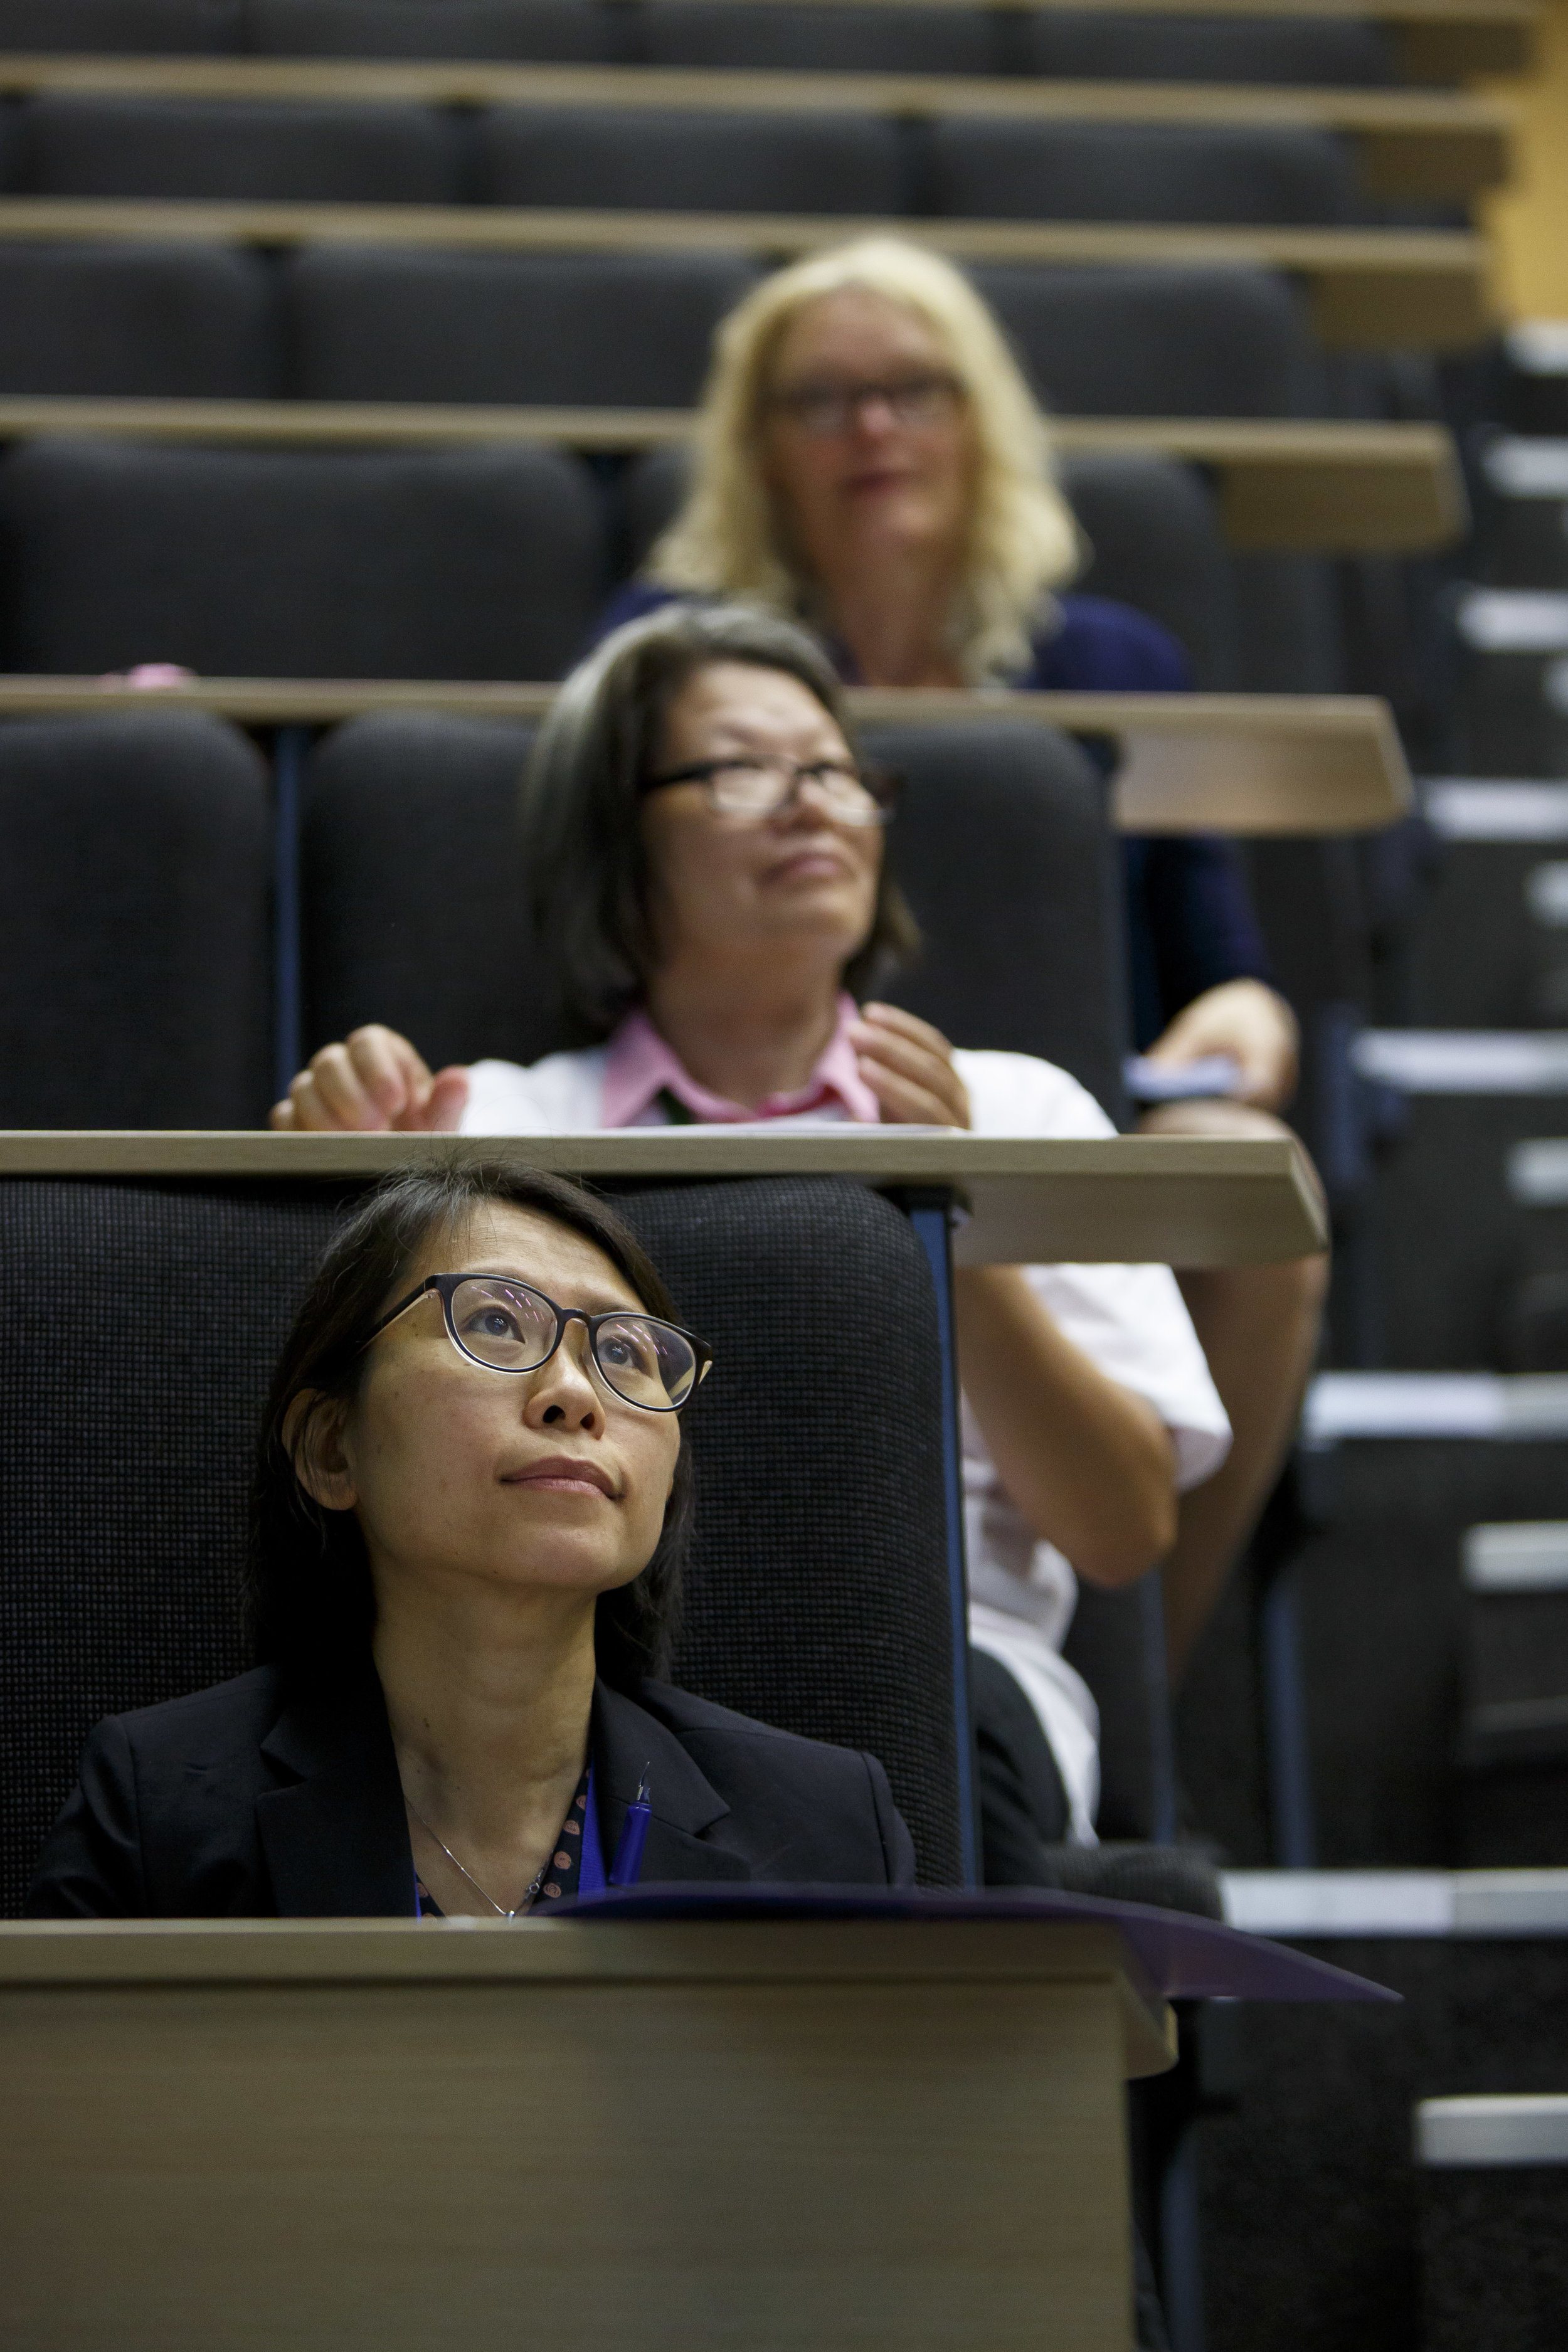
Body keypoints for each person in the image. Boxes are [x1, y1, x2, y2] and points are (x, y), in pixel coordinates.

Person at [268, 603, 1236, 1858]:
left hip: (936, 1665)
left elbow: (1121, 1530)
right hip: (548, 1650)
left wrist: (945, 1211)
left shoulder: (1017, 1110)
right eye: (740, 769)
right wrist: (321, 1198)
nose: (810, 803)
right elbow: (326, 1476)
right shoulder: (497, 1123)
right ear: (619, 832)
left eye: (837, 771)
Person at [598, 234, 1328, 1685]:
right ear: (759, 443)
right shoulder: (671, 664)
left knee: (1247, 1176)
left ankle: (1125, 1700)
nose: (873, 428)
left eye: (912, 390)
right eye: (824, 400)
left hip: (1063, 1122)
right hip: (772, 1103)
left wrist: (1237, 1029)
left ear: (977, 418)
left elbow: (1222, 970)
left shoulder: (1107, 659)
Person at [27, 1160, 916, 1917]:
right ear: (333, 1447)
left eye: (627, 1352)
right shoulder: (156, 1810)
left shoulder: (829, 1829)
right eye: (494, 1321)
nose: (575, 1395)